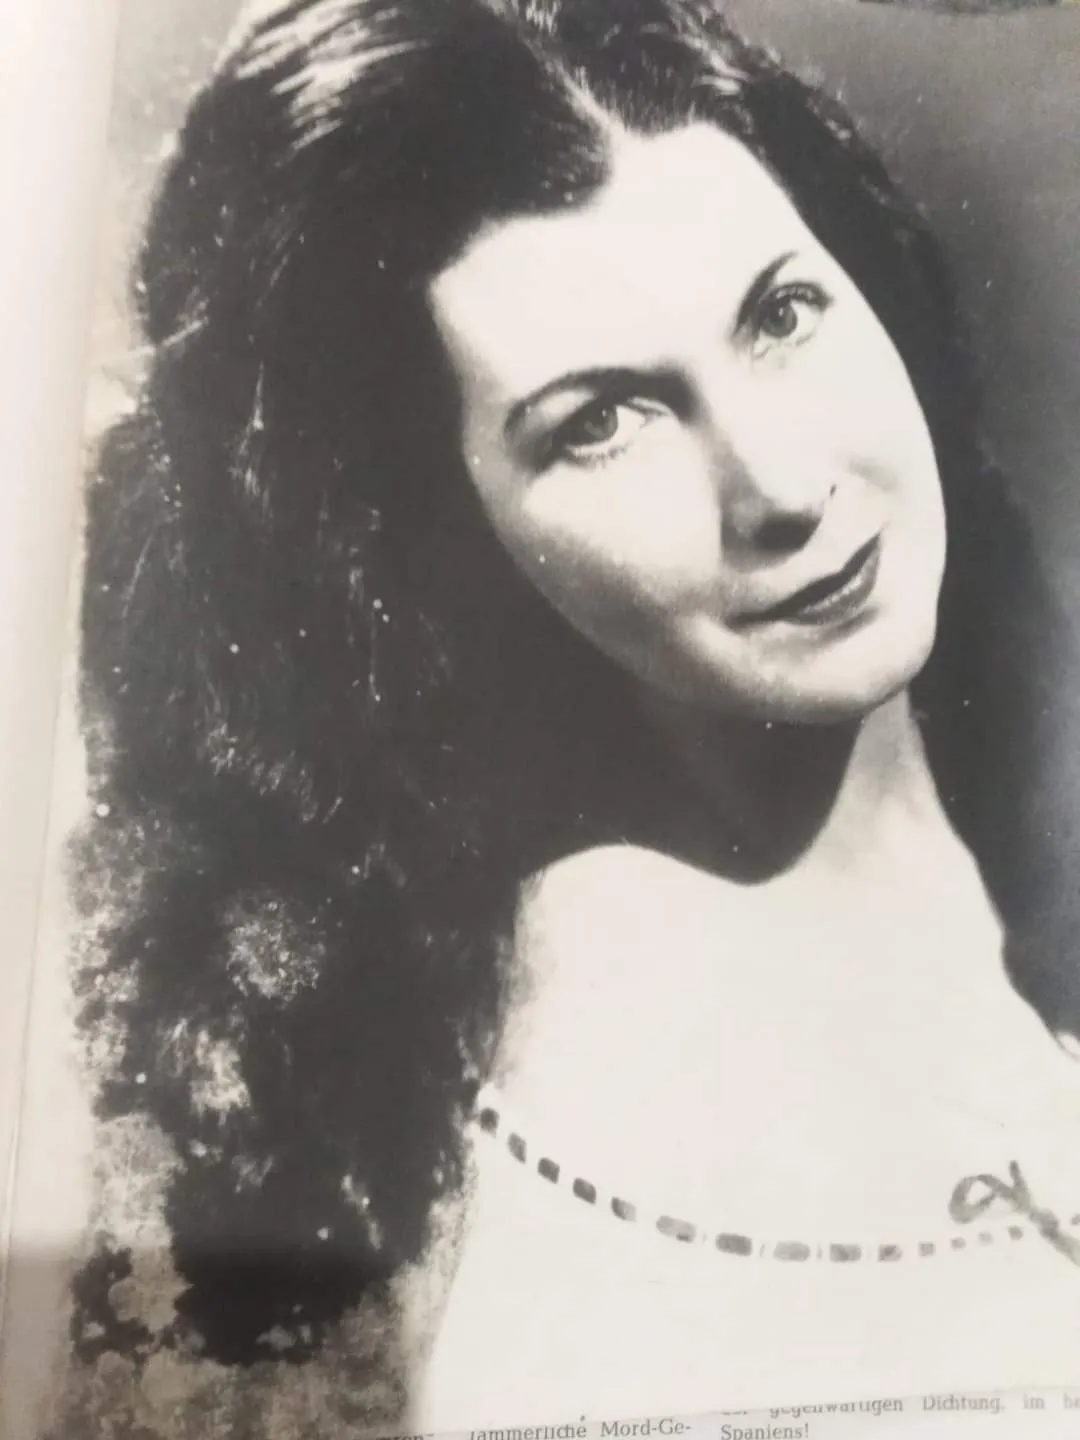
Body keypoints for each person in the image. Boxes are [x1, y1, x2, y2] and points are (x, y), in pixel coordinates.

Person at [72, 0, 1080, 1428]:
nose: (782, 485)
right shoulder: (584, 1107)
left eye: (782, 313)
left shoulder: (1022, 846)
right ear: (435, 537)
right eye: (599, 421)